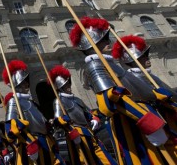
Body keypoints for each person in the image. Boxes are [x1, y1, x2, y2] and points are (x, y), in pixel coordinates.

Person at [69, 16, 168, 164]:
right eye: (103, 40)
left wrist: (154, 95)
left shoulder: (110, 64)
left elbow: (137, 90)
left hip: (143, 113)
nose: (109, 42)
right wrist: (148, 122)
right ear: (92, 43)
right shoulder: (95, 65)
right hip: (131, 121)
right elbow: (111, 100)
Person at [112, 35, 177, 161]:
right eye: (143, 56)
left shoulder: (149, 75)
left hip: (167, 118)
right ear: (133, 60)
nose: (147, 58)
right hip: (152, 123)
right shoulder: (129, 78)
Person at [49, 65, 117, 164]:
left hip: (89, 132)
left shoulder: (76, 99)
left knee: (104, 157)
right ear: (60, 88)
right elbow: (57, 120)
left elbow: (87, 112)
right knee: (86, 160)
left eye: (68, 84)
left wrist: (94, 118)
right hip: (76, 134)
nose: (68, 87)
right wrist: (63, 121)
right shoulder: (59, 101)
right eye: (65, 86)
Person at [2, 60, 65, 165]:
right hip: (31, 143)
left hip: (46, 141)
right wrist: (18, 128)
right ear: (18, 84)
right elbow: (10, 129)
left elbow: (41, 121)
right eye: (24, 82)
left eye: (27, 81)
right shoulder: (14, 101)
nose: (27, 84)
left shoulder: (32, 102)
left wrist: (49, 124)